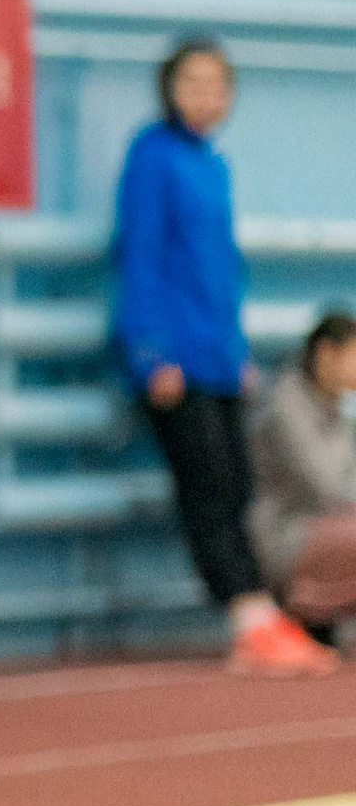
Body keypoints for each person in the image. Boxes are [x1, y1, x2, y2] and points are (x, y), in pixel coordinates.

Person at [110, 37, 335, 678]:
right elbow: (143, 259)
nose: (204, 95)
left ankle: (265, 611)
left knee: (239, 486)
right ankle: (247, 616)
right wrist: (151, 352)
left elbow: (220, 272)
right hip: (173, 360)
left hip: (218, 358)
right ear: (168, 87)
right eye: (191, 81)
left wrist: (235, 352)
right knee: (207, 489)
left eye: (216, 84)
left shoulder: (214, 165)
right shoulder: (152, 159)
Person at [247, 310, 356, 654]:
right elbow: (326, 487)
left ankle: (325, 625)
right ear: (326, 354)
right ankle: (307, 615)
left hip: (331, 529)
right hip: (287, 539)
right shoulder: (286, 403)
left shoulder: (337, 405)